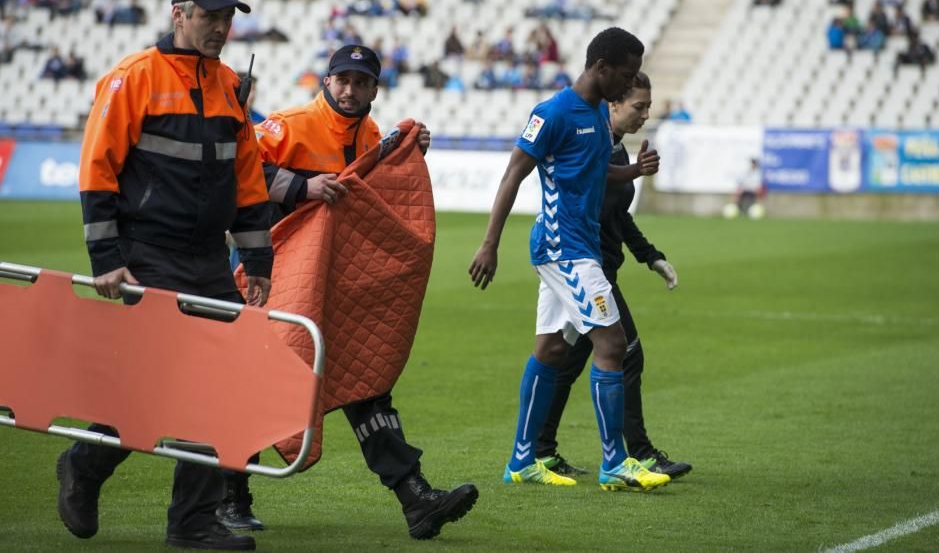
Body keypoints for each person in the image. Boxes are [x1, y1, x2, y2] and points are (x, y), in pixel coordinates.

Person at [217, 44, 478, 540]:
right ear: (326, 81)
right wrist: (303, 187)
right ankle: (228, 498)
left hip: (337, 280)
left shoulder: (376, 137)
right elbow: (239, 171)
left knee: (367, 379)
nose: (350, 90)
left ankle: (414, 496)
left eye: (361, 82)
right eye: (343, 80)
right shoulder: (287, 124)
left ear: (376, 90)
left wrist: (409, 154)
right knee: (250, 380)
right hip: (269, 270)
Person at [59, 0, 274, 551]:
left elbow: (247, 182)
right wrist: (106, 255)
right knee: (157, 388)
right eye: (210, 16)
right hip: (145, 254)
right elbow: (96, 170)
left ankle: (191, 522)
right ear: (178, 14)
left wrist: (257, 263)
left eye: (228, 17)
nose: (221, 27)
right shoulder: (134, 77)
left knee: (220, 389)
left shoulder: (230, 86)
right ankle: (85, 466)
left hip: (208, 259)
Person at [468, 27, 672, 491]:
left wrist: (633, 171)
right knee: (613, 343)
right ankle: (615, 462)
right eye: (626, 72)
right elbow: (513, 174)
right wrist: (489, 243)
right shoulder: (554, 112)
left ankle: (522, 460)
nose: (631, 81)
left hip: (579, 247)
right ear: (601, 68)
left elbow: (595, 170)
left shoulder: (600, 113)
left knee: (553, 349)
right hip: (564, 249)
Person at [534, 71, 692, 479]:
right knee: (625, 352)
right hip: (583, 263)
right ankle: (636, 454)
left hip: (596, 263)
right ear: (613, 104)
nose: (645, 114)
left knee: (567, 360)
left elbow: (619, 217)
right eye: (638, 106)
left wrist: (651, 257)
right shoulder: (592, 147)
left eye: (648, 107)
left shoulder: (617, 152)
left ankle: (539, 450)